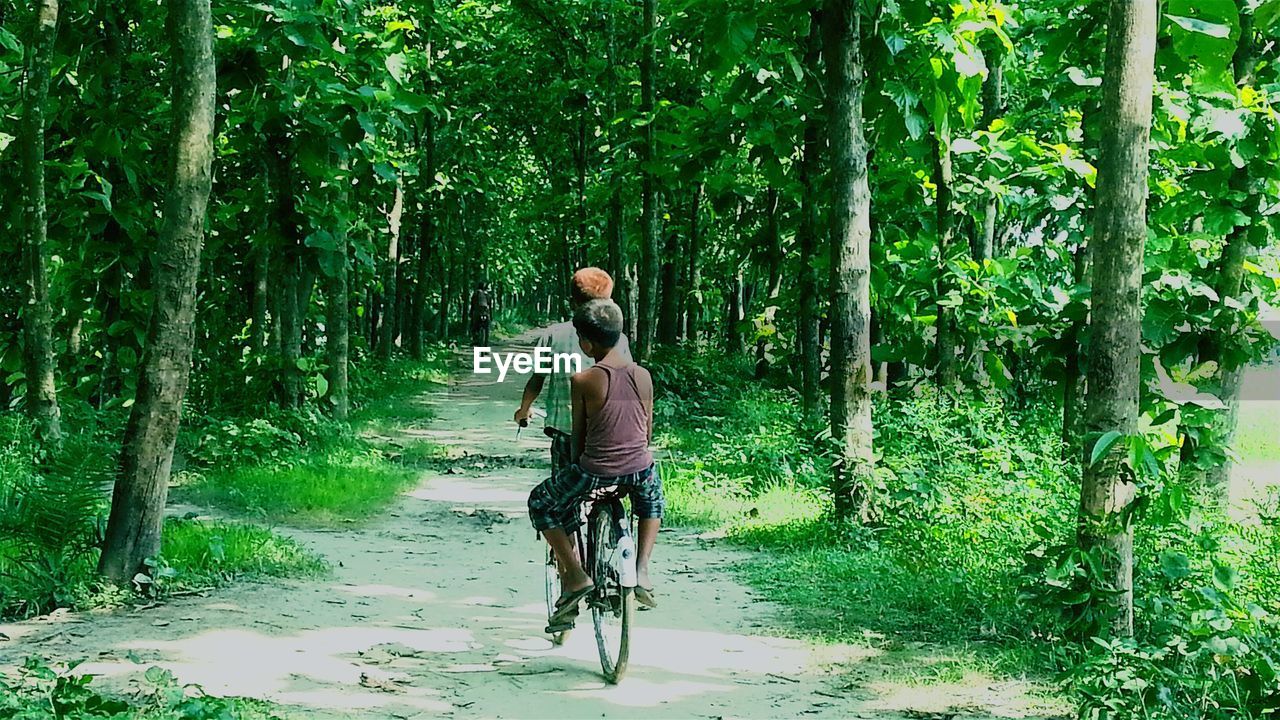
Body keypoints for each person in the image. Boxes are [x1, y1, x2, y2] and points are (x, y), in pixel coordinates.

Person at [527, 299, 662, 626]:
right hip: (639, 469)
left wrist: (575, 481)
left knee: (540, 503)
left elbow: (579, 439)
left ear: (586, 343)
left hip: (595, 471)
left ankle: (574, 575)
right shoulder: (643, 376)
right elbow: (647, 431)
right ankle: (642, 569)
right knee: (652, 499)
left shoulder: (584, 380)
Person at [514, 268, 630, 480]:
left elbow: (536, 379)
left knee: (562, 492)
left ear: (571, 302)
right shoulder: (619, 339)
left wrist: (524, 410)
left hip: (565, 432)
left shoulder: (553, 334)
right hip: (607, 433)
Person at [469, 282, 491, 346]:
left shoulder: (476, 294)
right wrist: (491, 316)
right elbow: (490, 306)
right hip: (486, 313)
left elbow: (472, 304)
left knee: (473, 326)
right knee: (487, 329)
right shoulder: (488, 295)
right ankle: (486, 344)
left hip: (477, 313)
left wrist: (470, 313)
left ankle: (474, 338)